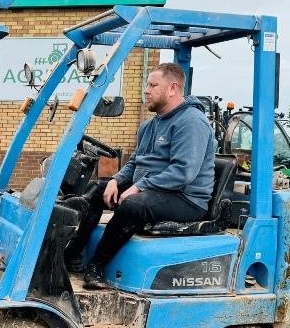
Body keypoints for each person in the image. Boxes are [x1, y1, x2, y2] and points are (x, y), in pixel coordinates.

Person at [64, 62, 217, 289]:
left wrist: (138, 187)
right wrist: (116, 180)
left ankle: (96, 266)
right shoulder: (150, 126)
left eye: (153, 85)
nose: (146, 90)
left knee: (134, 205)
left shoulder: (191, 122)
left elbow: (183, 172)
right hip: (156, 190)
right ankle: (72, 255)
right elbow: (136, 161)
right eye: (147, 84)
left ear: (173, 88)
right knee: (97, 191)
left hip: (186, 199)